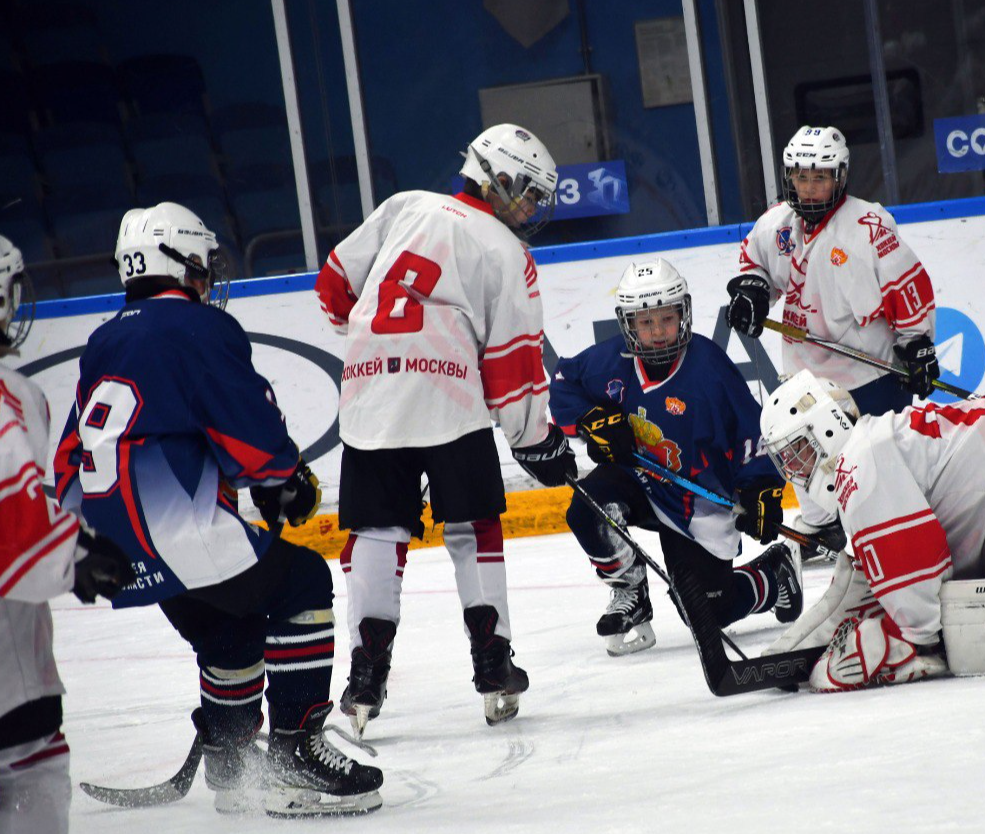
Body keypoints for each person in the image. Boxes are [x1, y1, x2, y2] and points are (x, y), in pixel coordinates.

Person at [55, 204, 382, 817]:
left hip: (108, 544)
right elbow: (243, 418)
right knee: (303, 580)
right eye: (202, 262)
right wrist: (282, 478)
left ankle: (233, 769)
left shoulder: (105, 338)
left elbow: (78, 450)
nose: (208, 276)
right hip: (171, 527)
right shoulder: (197, 328)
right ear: (177, 263)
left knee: (232, 631)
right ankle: (294, 756)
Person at [314, 123, 575, 732]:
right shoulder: (508, 252)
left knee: (376, 531)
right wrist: (534, 439)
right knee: (472, 524)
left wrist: (377, 348)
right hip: (448, 395)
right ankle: (492, 665)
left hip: (369, 391)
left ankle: (364, 679)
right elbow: (512, 365)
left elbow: (332, 289)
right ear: (500, 179)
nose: (533, 208)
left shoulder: (403, 205)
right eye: (530, 194)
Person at [758, 369, 985, 691]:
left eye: (796, 449)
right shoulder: (869, 448)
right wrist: (791, 651)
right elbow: (872, 581)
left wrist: (902, 641)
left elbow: (922, 608)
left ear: (826, 427)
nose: (791, 468)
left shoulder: (860, 468)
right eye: (784, 458)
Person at [551, 258, 802, 656]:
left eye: (665, 319)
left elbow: (753, 432)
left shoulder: (708, 367)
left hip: (696, 500)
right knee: (587, 507)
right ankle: (630, 590)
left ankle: (773, 577)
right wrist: (590, 420)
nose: (657, 332)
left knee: (706, 610)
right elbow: (564, 382)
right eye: (645, 323)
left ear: (682, 313)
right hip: (638, 480)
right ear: (629, 324)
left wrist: (759, 486)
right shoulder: (612, 360)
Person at [726, 125, 941, 560]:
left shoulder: (868, 225)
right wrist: (752, 290)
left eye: (819, 177)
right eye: (801, 177)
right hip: (804, 372)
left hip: (869, 370)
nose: (809, 188)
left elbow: (907, 285)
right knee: (798, 446)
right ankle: (823, 524)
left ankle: (895, 520)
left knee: (879, 460)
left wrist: (917, 343)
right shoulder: (777, 224)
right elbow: (755, 260)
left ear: (840, 176)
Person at [0, 236, 134, 834]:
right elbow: (15, 526)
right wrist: (74, 557)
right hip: (10, 684)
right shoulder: (10, 395)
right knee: (31, 771)